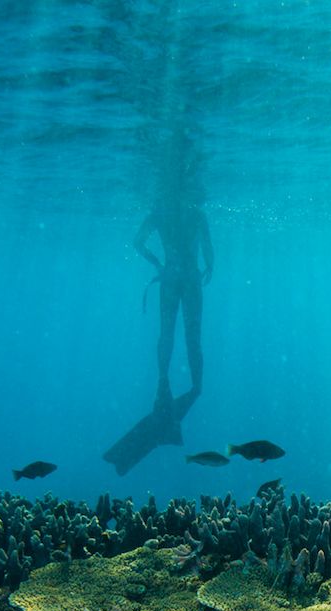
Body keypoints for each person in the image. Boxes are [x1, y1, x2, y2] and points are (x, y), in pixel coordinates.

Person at [133, 136, 213, 412]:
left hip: (169, 278)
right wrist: (210, 266)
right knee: (193, 335)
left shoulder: (159, 213)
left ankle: (163, 383)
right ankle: (197, 386)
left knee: (167, 333)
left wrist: (157, 263)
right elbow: (208, 248)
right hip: (191, 279)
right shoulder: (197, 214)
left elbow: (137, 242)